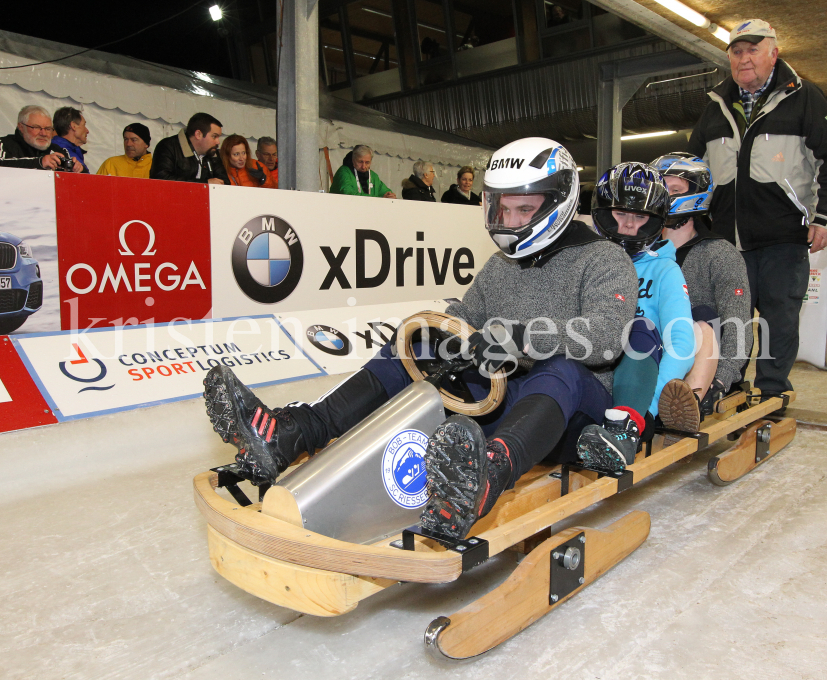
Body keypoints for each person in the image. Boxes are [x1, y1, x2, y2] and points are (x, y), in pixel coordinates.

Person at [203, 137, 638, 541]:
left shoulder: (604, 258)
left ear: (559, 204)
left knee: (558, 368)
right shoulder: (500, 265)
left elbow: (605, 338)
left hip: (574, 414)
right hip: (504, 396)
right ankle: (295, 433)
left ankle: (487, 477)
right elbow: (465, 318)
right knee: (417, 344)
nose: (510, 221)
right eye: (503, 210)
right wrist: (439, 335)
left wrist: (521, 338)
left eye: (524, 210)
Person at [686, 19, 827, 399]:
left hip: (783, 235)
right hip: (727, 239)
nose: (744, 58)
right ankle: (727, 384)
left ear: (774, 53)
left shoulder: (804, 97)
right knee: (734, 320)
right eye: (736, 51)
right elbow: (690, 166)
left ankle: (771, 392)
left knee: (779, 318)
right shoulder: (715, 105)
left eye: (753, 50)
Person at [576, 162, 696, 473]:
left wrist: (650, 407)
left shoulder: (665, 270)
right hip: (591, 374)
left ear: (655, 221)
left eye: (640, 216)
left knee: (637, 327)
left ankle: (624, 425)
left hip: (638, 385)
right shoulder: (585, 263)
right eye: (620, 214)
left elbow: (681, 343)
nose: (629, 225)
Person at [653, 153, 752, 412]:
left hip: (701, 350)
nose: (666, 195)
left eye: (675, 189)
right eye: (661, 188)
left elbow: (738, 323)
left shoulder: (720, 254)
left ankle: (688, 402)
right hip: (653, 343)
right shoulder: (641, 252)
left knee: (701, 316)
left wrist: (722, 378)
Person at [0, 105, 79, 171]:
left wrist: (78, 170)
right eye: (37, 127)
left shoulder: (59, 151)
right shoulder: (3, 144)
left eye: (48, 129)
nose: (43, 133)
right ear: (21, 127)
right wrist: (40, 163)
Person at [150, 112, 226, 184]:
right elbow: (161, 179)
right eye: (214, 136)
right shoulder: (168, 146)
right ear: (198, 134)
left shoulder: (212, 153)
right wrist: (204, 184)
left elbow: (224, 182)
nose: (218, 142)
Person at [328, 145, 396, 198]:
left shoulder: (373, 176)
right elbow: (348, 194)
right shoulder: (344, 172)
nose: (363, 166)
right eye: (360, 162)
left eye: (367, 162)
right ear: (353, 160)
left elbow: (385, 192)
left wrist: (389, 195)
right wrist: (378, 198)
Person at [50, 107, 90, 173]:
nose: (87, 131)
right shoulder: (62, 152)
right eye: (84, 125)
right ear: (73, 126)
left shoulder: (71, 150)